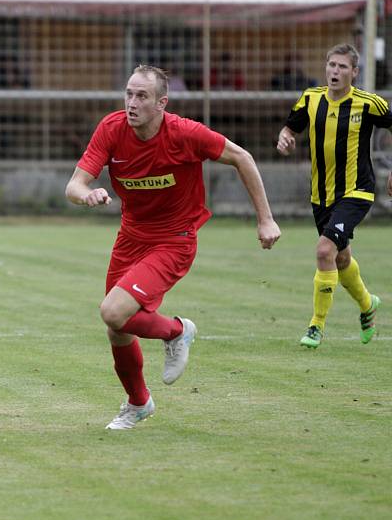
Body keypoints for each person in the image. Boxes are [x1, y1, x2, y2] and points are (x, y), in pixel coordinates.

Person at [65, 65, 280, 430]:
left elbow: (242, 157)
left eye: (142, 96)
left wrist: (265, 219)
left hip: (174, 239)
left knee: (113, 311)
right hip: (131, 237)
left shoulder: (185, 134)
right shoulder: (112, 128)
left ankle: (177, 331)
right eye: (129, 94)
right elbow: (74, 185)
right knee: (117, 328)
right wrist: (89, 194)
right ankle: (138, 403)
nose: (131, 103)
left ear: (162, 103)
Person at [277, 43, 392, 349]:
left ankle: (316, 325)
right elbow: (290, 128)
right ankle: (368, 305)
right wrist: (285, 138)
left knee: (324, 251)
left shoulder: (368, 104)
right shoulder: (311, 98)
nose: (335, 71)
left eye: (342, 67)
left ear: (354, 72)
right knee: (340, 257)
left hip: (357, 191)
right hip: (321, 195)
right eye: (332, 65)